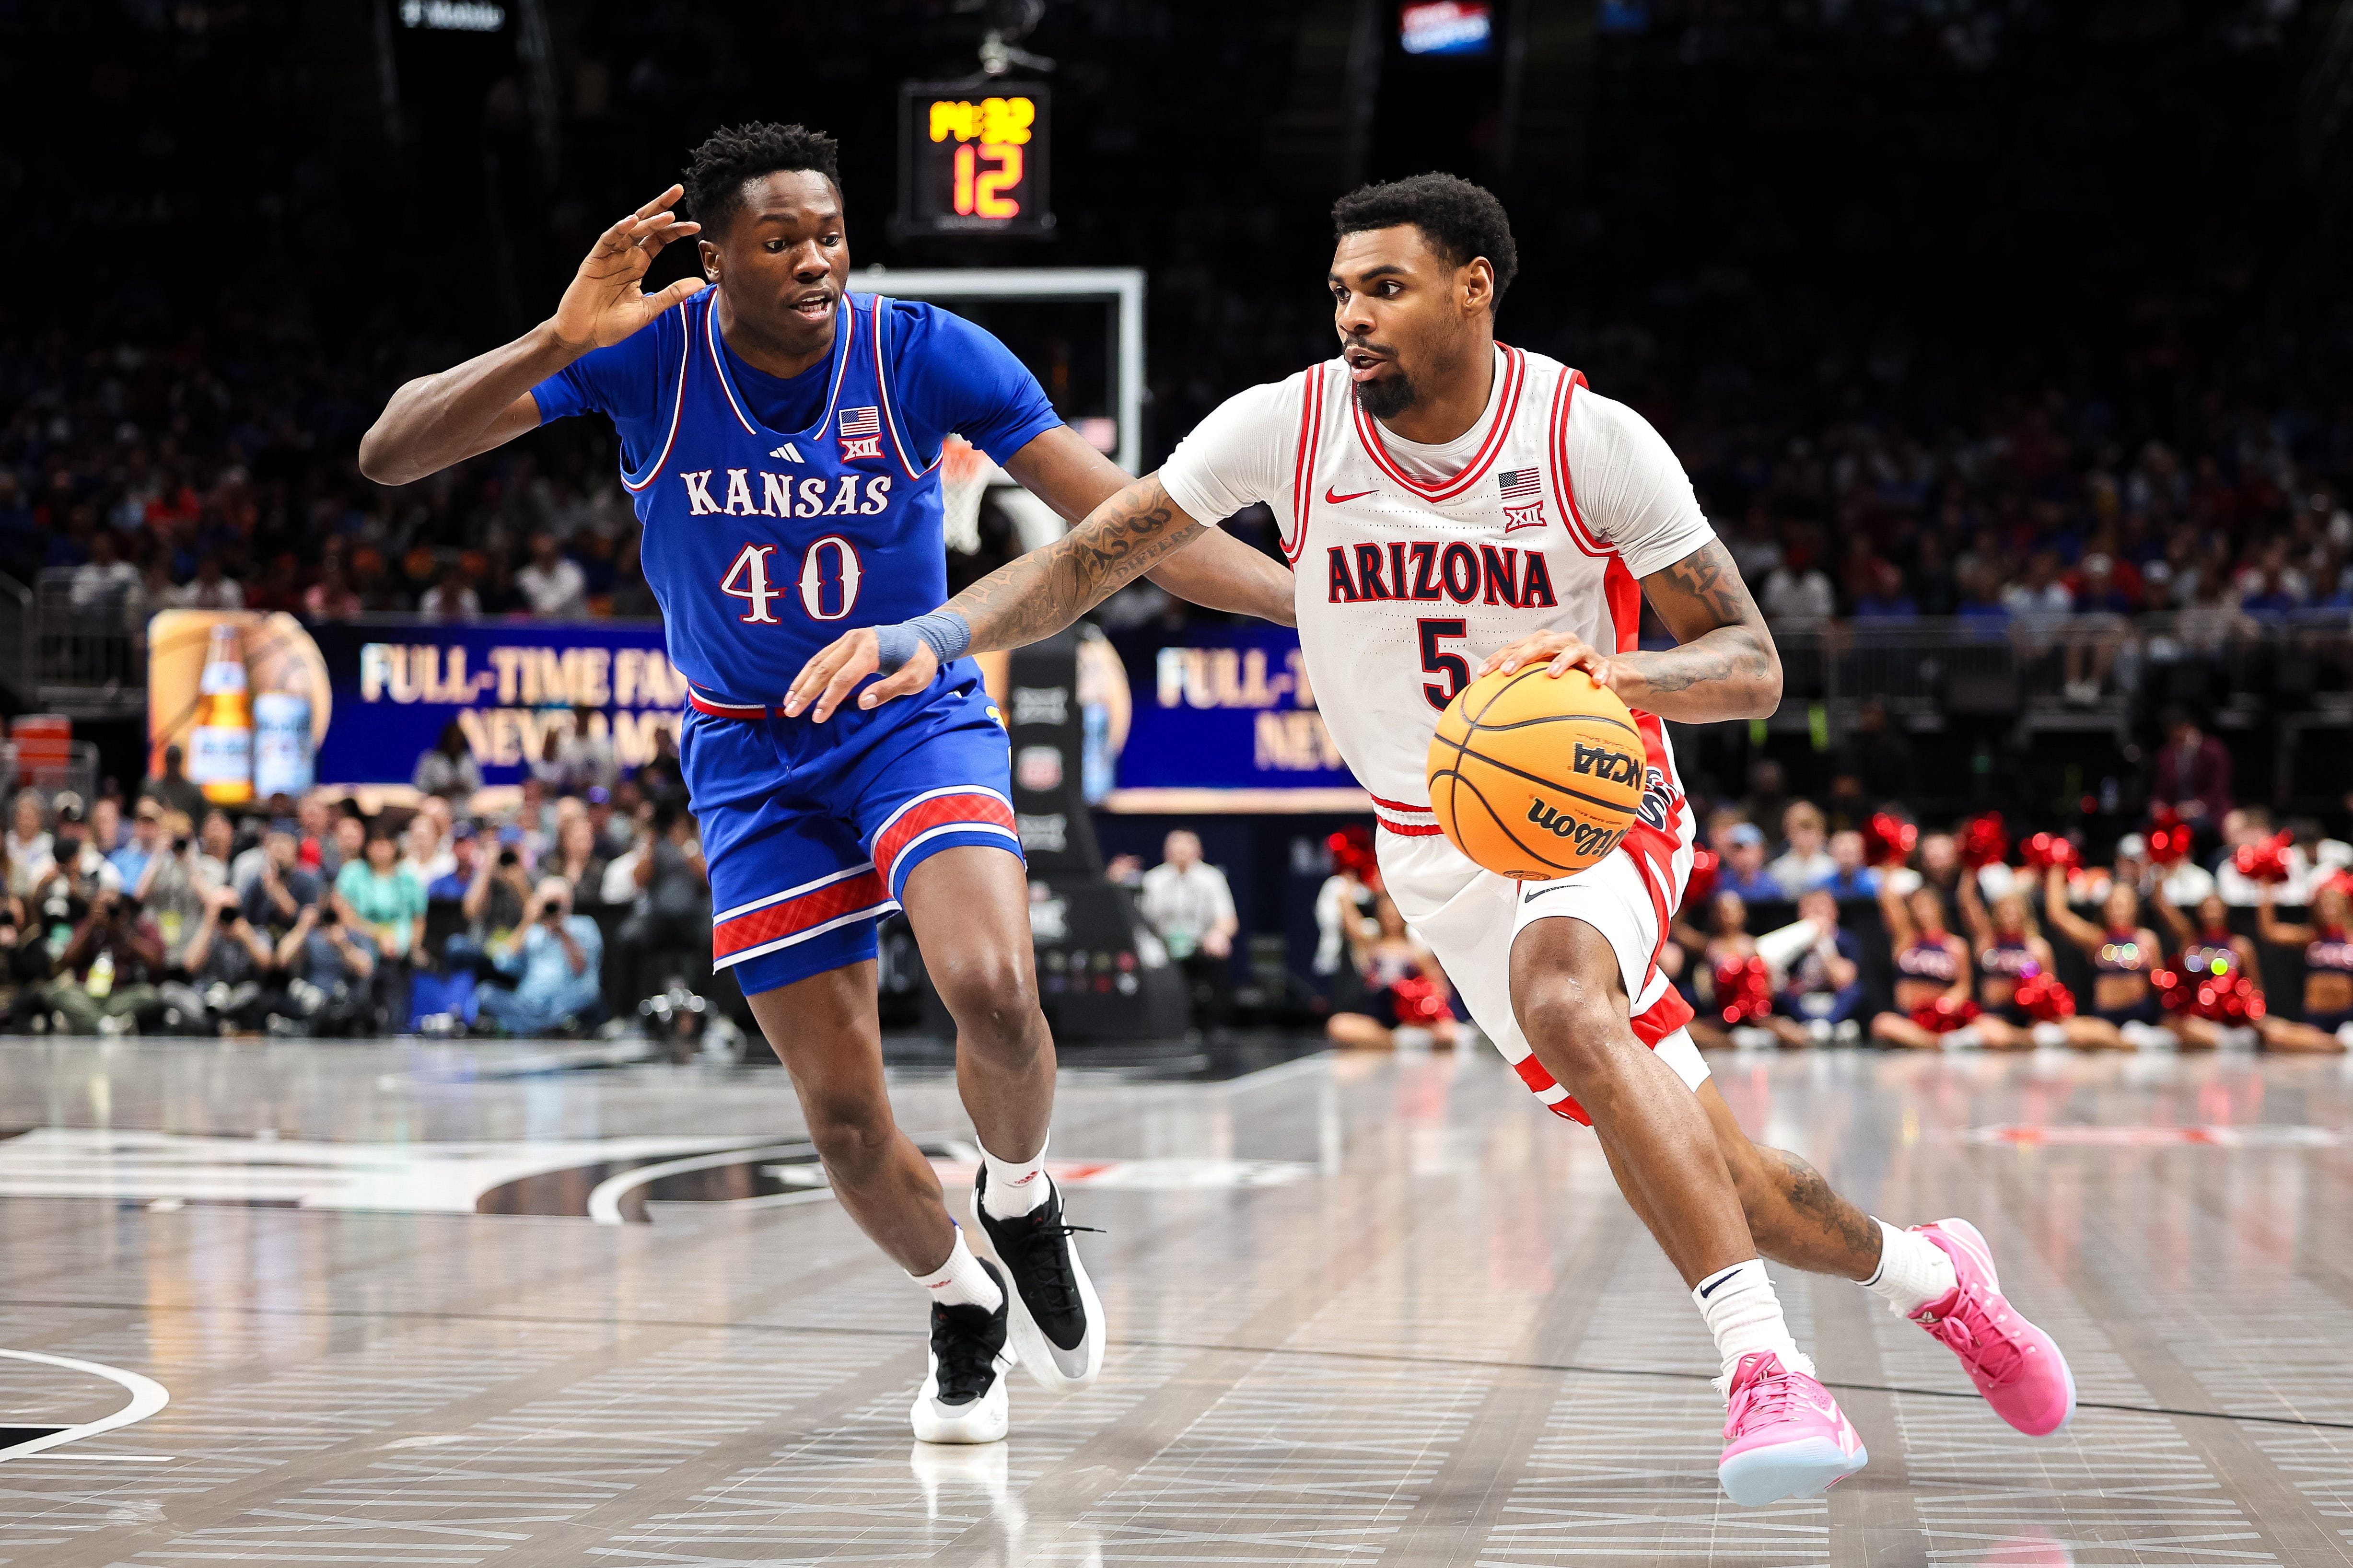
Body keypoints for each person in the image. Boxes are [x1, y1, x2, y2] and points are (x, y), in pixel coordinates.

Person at [803, 171, 2076, 1500]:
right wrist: (931, 633)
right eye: (1342, 290)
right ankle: (1938, 1276)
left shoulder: (1591, 440)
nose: (1354, 314)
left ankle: (1763, 1369)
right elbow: (1087, 558)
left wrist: (1603, 677)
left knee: (1566, 997)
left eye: (1386, 286)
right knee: (1731, 1179)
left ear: (1473, 285)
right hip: (1433, 841)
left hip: (1593, 789)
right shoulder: (1280, 427)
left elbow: (1750, 664)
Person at [358, 124, 1294, 1443]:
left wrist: (1316, 608)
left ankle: (1018, 1196)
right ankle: (959, 1298)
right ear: (717, 260)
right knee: (846, 1117)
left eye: (829, 232)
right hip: (748, 753)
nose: (815, 259)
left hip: (908, 709)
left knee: (992, 986)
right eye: (779, 239)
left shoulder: (921, 350)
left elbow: (1131, 528)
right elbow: (391, 452)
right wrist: (555, 336)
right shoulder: (640, 353)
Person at [2044, 865, 2168, 1049]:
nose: (2119, 909)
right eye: (2114, 903)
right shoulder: (2097, 939)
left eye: (2124, 903)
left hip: (2139, 1015)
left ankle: (2128, 1039)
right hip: (2105, 1017)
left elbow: (2161, 985)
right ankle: (2124, 1042)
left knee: (2144, 1030)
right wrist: (2056, 870)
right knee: (2072, 1030)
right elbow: (2058, 916)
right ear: (2106, 908)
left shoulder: (2147, 939)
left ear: (2134, 907)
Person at [1325, 893, 1459, 1049]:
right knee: (1338, 1025)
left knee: (1449, 1032)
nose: (1391, 919)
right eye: (1387, 915)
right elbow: (1352, 926)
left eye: (1395, 915)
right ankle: (1399, 1041)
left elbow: (1441, 987)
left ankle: (1405, 1039)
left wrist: (1423, 1003)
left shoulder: (1417, 951)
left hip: (1411, 1019)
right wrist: (1345, 894)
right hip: (1378, 1018)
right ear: (1379, 915)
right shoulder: (1370, 945)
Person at [1136, 830, 1239, 1031]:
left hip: (1201, 945)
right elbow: (1142, 920)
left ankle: (1216, 1024)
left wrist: (1218, 936)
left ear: (1198, 851)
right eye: (1176, 849)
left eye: (1186, 849)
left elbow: (1228, 919)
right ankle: (1160, 1022)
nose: (1181, 854)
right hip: (1164, 947)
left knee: (1219, 949)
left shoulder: (1212, 878)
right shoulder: (1153, 880)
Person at [473, 877, 604, 1034]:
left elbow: (581, 967)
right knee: (485, 993)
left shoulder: (583, 926)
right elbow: (503, 962)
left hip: (565, 1005)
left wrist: (562, 932)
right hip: (529, 1005)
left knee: (587, 1000)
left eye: (556, 901)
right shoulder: (533, 932)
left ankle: (529, 1027)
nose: (551, 908)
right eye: (547, 902)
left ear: (568, 902)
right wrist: (527, 921)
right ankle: (544, 1028)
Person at [1869, 882, 1986, 1050]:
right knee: (1882, 1024)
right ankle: (1939, 1043)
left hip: (1943, 1018)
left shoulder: (1956, 945)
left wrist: (1946, 1004)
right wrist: (1890, 867)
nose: (1922, 911)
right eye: (1917, 906)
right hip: (1910, 1020)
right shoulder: (1906, 940)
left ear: (1939, 907)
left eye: (1927, 905)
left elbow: (1964, 986)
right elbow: (1888, 900)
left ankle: (1931, 1041)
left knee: (1987, 1026)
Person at [2151, 887, 2264, 1050]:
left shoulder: (2241, 946)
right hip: (2197, 1017)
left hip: (2230, 1017)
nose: (2212, 913)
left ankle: (2227, 1040)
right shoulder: (2190, 942)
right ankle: (2223, 1041)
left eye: (2216, 908)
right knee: (2168, 1024)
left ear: (2225, 911)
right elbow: (2162, 905)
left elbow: (2256, 987)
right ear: (2200, 913)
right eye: (2207, 909)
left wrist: (2246, 1010)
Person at [45, 890, 165, 1034]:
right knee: (55, 992)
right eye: (105, 907)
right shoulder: (88, 925)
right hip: (87, 995)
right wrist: (92, 923)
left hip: (121, 996)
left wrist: (125, 932)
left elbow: (157, 961)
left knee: (150, 994)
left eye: (115, 907)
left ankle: (87, 1022)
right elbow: (67, 959)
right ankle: (108, 1025)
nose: (110, 912)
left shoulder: (138, 926)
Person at [2252, 882, 2353, 1052]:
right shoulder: (2310, 937)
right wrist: (2266, 885)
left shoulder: (2351, 938)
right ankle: (2335, 1045)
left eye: (2333, 903)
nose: (2328, 908)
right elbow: (2270, 931)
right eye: (2323, 904)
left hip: (2345, 1016)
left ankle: (2333, 1044)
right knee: (2271, 1034)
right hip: (2315, 1017)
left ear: (2345, 906)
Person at [1764, 889, 1863, 1045]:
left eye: (1822, 907)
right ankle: (1810, 1027)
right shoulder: (1791, 941)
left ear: (1834, 912)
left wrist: (1823, 943)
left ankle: (1828, 1025)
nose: (1817, 913)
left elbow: (1844, 979)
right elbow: (1777, 978)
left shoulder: (1845, 940)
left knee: (1855, 991)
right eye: (1810, 908)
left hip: (1832, 998)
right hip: (1803, 999)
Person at [2152, 706, 2232, 829]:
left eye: (2179, 729)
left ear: (2190, 726)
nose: (2176, 735)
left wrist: (2197, 807)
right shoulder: (2166, 755)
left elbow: (2219, 790)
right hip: (2176, 812)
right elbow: (2161, 792)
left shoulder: (2214, 750)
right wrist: (2158, 805)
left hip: (2210, 811)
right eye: (2171, 732)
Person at [1766, 802, 1833, 898]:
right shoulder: (1776, 871)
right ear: (1788, 833)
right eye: (1798, 830)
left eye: (1809, 828)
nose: (1804, 836)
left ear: (1821, 832)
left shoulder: (1833, 868)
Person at [516, 532, 589, 618]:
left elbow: (555, 604)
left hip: (576, 626)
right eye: (541, 555)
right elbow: (538, 602)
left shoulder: (573, 571)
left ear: (557, 553)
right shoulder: (526, 576)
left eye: (549, 554)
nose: (546, 559)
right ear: (534, 555)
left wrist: (547, 609)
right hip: (542, 628)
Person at [412, 722, 484, 801]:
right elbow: (420, 786)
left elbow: (477, 787)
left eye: (458, 737)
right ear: (446, 738)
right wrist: (440, 789)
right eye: (453, 737)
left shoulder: (468, 760)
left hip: (463, 808)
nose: (455, 741)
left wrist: (463, 786)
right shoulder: (430, 759)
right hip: (436, 806)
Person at [1716, 822, 1783, 903]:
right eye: (1736, 850)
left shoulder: (1771, 885)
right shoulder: (1720, 883)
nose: (1741, 856)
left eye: (1747, 850)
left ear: (1760, 851)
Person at [140, 745, 208, 824]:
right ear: (166, 761)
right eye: (171, 760)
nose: (173, 765)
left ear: (180, 761)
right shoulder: (153, 789)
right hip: (157, 833)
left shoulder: (194, 791)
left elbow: (203, 819)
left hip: (186, 833)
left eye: (176, 760)